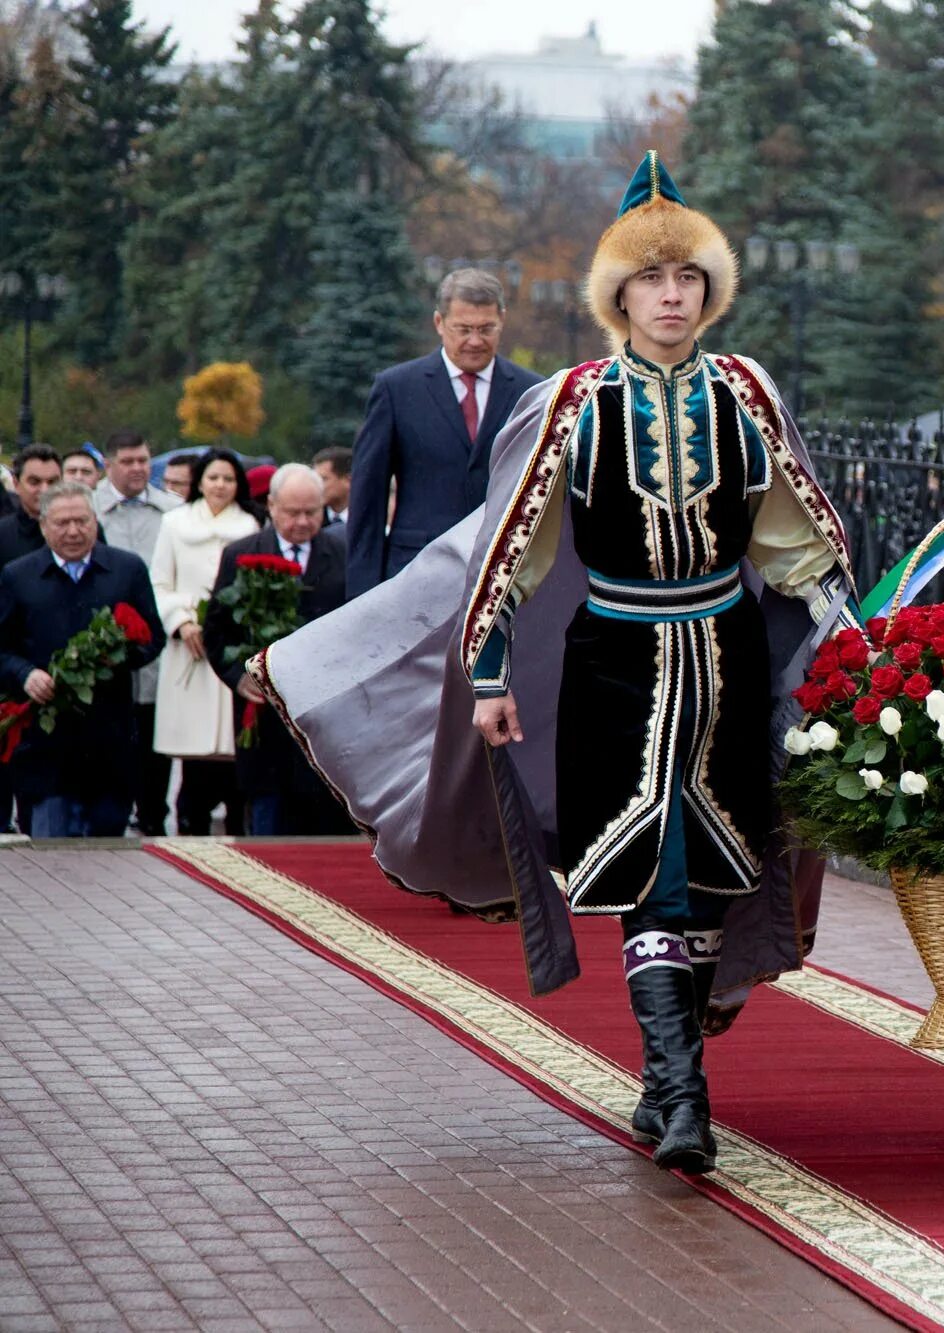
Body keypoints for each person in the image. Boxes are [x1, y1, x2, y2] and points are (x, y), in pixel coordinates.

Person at [259, 152, 858, 1175]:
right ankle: (679, 1092)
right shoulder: (573, 403)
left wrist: (847, 632)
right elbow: (514, 549)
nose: (670, 297)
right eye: (649, 281)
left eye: (687, 281)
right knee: (644, 872)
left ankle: (668, 1077)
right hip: (614, 667)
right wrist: (488, 674)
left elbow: (795, 538)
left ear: (708, 293)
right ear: (615, 295)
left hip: (723, 662)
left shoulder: (745, 392)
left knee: (710, 875)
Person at [346, 268, 540, 596]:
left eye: (486, 328)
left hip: (504, 579)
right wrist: (361, 595)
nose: (475, 341)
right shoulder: (396, 389)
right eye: (463, 329)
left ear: (502, 320)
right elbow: (368, 499)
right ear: (439, 323)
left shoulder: (532, 391)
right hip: (415, 574)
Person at [0, 482, 166, 836]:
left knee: (106, 856)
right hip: (45, 747)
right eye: (62, 523)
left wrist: (120, 657)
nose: (73, 531)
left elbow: (154, 636)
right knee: (51, 853)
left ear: (95, 521)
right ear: (44, 526)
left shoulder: (127, 569)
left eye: (81, 521)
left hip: (109, 740)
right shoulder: (18, 576)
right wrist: (25, 674)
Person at [203, 464, 349, 835]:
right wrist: (240, 680)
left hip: (325, 722)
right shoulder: (241, 554)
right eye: (292, 512)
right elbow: (217, 633)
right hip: (264, 721)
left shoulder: (344, 551)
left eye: (311, 512)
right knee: (268, 825)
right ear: (271, 505)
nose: (302, 522)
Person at [150, 450, 260, 834]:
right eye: (213, 478)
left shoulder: (250, 525)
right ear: (199, 481)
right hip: (190, 652)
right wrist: (181, 620)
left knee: (234, 750)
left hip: (233, 649)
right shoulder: (174, 523)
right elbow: (160, 582)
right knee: (194, 752)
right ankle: (188, 825)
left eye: (228, 479)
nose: (220, 486)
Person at [92, 430, 183, 835]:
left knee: (154, 741)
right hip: (101, 652)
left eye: (143, 460)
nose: (137, 468)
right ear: (109, 465)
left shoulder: (173, 511)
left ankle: (152, 817)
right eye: (127, 461)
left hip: (156, 648)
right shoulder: (89, 509)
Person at [0, 446, 61, 567]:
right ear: (16, 484)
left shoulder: (84, 530)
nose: (45, 490)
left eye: (52, 482)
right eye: (34, 482)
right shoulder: (2, 535)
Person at [312, 446, 352, 531]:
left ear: (348, 481)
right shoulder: (312, 521)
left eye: (323, 479)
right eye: (315, 479)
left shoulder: (371, 518)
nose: (316, 485)